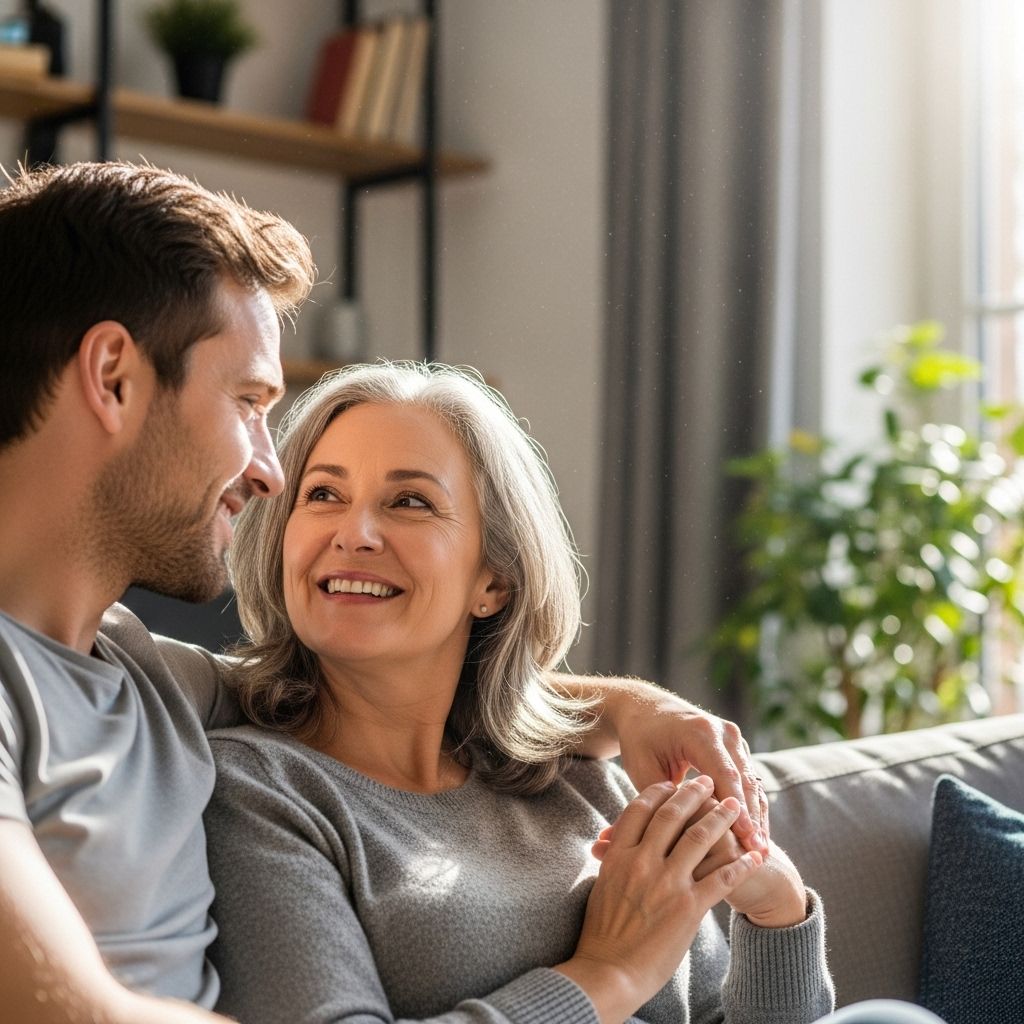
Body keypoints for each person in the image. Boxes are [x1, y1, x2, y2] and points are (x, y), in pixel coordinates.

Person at [0, 160, 773, 1024]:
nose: (267, 471)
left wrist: (633, 711)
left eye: (409, 502)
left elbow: (378, 690)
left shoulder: (149, 679)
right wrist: (610, 976)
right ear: (112, 376)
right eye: (250, 400)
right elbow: (69, 1014)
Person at [203, 361, 834, 1024]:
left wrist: (775, 912)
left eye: (409, 502)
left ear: (494, 582)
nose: (353, 533)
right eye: (324, 495)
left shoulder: (578, 781)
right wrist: (607, 975)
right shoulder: (257, 791)